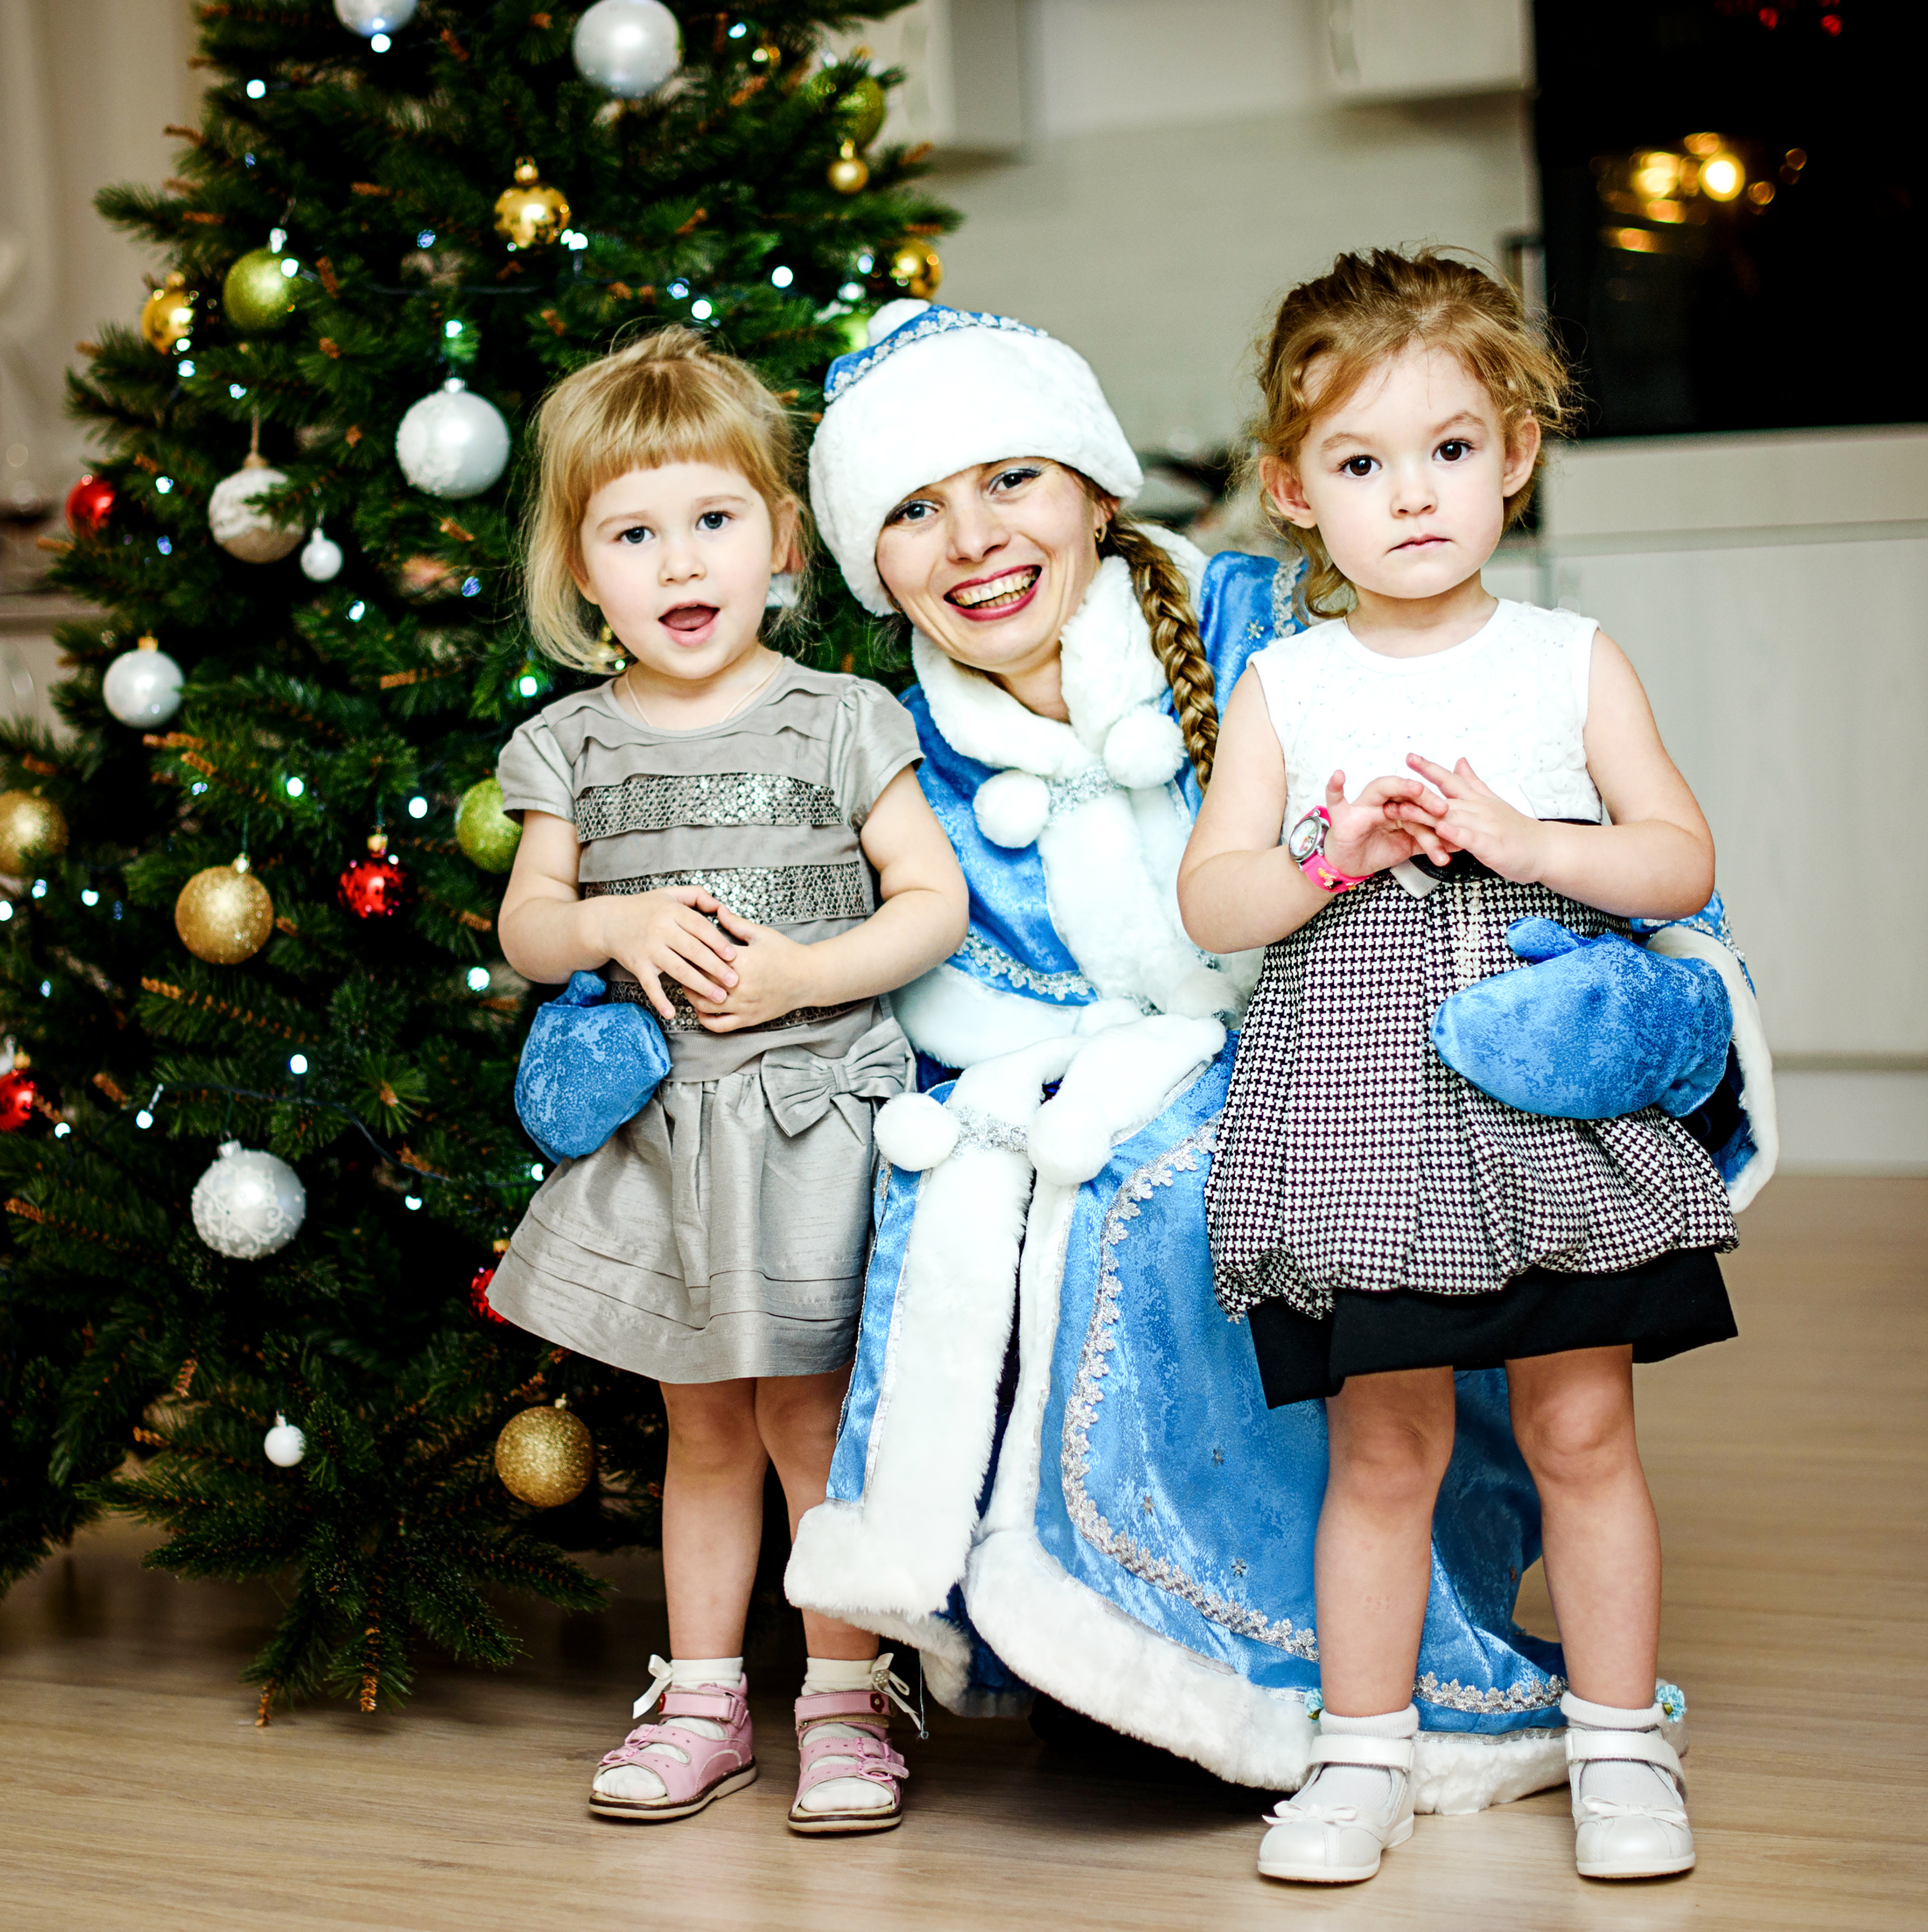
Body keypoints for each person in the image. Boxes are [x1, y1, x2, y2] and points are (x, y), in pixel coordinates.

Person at [787, 295, 1776, 1811]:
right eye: (911, 510)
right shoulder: (884, 737)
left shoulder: (1274, 625)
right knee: (1048, 1200)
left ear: (1095, 489)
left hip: (1367, 1064)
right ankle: (1095, 1650)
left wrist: (1609, 966)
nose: (970, 537)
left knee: (1235, 1225)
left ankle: (1398, 1688)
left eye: (1009, 479)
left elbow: (1660, 861)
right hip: (1086, 1076)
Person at [1181, 247, 1756, 1886]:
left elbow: (1673, 858)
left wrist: (1527, 837)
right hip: (1359, 1108)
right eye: (1359, 463)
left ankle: (1616, 1738)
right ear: (1293, 493)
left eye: (1446, 448)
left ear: (1512, 449)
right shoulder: (1284, 684)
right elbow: (1214, 899)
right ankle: (1359, 1750)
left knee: (1581, 1431)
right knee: (1384, 1446)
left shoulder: (1565, 657)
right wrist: (1327, 858)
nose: (1410, 494)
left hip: (1541, 1097)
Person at [488, 328, 969, 1835]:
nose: (678, 561)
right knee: (700, 1426)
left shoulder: (842, 717)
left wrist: (800, 976)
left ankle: (842, 1693)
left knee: (810, 1421)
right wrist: (613, 924)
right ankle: (701, 1691)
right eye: (633, 532)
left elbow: (927, 902)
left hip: (812, 1117)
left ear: (776, 536)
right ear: (581, 567)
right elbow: (524, 927)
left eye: (711, 521)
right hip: (668, 1140)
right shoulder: (567, 743)